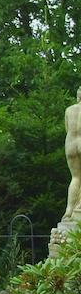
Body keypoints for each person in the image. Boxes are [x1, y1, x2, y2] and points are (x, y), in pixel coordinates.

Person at [63, 87, 81, 223]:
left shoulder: (69, 110)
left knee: (75, 177)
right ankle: (79, 209)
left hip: (70, 144)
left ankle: (69, 211)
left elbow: (67, 128)